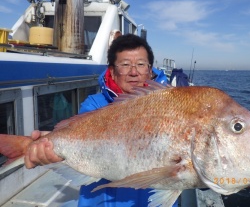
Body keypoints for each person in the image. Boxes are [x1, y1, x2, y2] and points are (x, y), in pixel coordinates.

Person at [25, 34, 172, 207]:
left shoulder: (169, 104)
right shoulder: (94, 105)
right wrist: (51, 144)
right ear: (112, 70)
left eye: (140, 64)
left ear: (150, 69)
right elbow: (83, 140)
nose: (134, 72)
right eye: (125, 65)